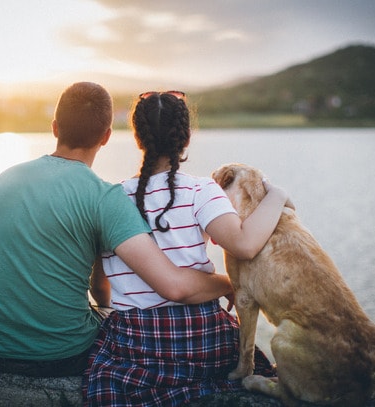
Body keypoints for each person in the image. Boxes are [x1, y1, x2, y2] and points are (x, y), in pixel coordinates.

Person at [0, 82, 234, 377]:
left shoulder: (4, 180)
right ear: (107, 136)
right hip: (64, 355)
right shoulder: (104, 198)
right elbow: (173, 286)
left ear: (55, 128)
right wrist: (229, 283)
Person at [83, 90, 291, 406]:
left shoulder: (113, 199)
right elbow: (246, 246)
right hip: (203, 338)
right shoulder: (201, 190)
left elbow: (100, 290)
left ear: (137, 139)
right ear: (186, 138)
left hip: (137, 342)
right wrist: (277, 196)